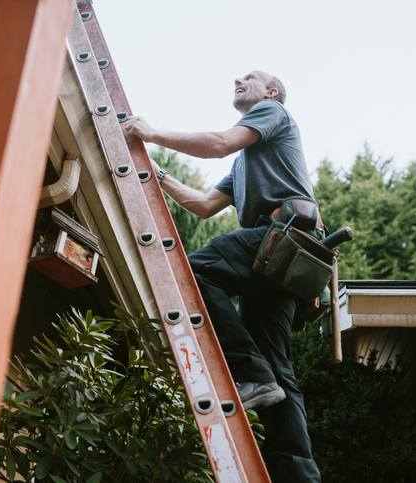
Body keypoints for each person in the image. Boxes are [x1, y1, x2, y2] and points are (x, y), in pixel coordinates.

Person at [124, 70, 322, 482]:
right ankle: (297, 474)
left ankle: (249, 372)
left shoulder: (273, 112)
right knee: (278, 370)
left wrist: (152, 134)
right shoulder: (246, 161)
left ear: (270, 93)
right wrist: (153, 172)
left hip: (284, 242)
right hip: (279, 261)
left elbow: (217, 144)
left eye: (249, 76)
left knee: (195, 270)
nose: (237, 78)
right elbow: (202, 203)